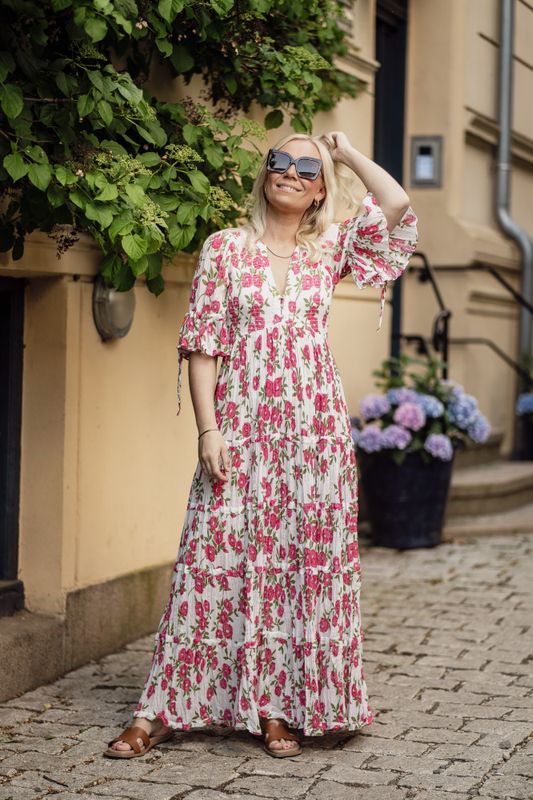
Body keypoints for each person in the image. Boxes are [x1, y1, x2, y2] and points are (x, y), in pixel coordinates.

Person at [103, 131, 419, 760]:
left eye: (308, 167)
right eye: (282, 160)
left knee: (298, 566)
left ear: (321, 188)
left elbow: (397, 204)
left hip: (313, 434)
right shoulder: (225, 249)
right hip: (240, 429)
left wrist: (347, 152)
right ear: (265, 172)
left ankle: (277, 709)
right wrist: (207, 429)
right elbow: (203, 345)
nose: (292, 172)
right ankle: (161, 707)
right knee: (211, 559)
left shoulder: (330, 246)